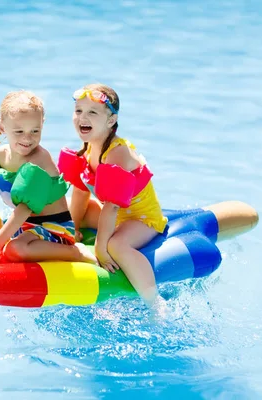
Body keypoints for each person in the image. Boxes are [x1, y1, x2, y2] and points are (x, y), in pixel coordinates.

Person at [0, 90, 96, 265]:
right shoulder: (0, 155)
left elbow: (25, 208)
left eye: (35, 131)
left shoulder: (40, 160)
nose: (27, 138)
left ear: (42, 125)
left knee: (14, 250)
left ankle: (75, 252)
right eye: (19, 131)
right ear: (1, 127)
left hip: (53, 228)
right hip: (24, 225)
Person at [57, 83, 168, 317]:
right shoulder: (88, 147)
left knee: (116, 245)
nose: (82, 118)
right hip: (114, 214)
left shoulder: (117, 153)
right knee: (65, 208)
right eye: (78, 111)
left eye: (92, 113)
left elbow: (111, 206)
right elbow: (80, 191)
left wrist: (100, 248)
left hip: (141, 219)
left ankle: (154, 302)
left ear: (111, 120)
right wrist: (72, 228)